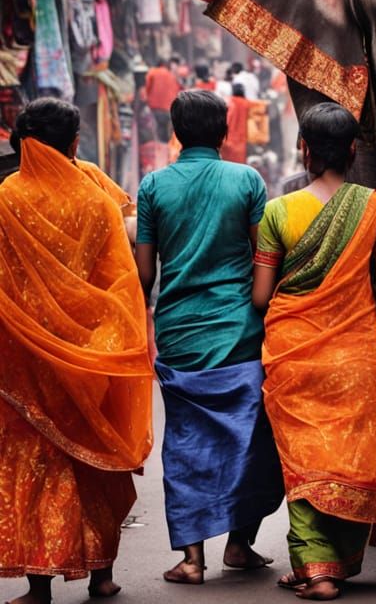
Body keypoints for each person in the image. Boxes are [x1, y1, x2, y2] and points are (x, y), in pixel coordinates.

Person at [253, 103, 376, 600]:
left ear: (303, 149)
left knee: (304, 462)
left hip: (293, 354)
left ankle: (316, 568)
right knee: (350, 460)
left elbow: (260, 297)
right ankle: (332, 564)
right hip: (356, 354)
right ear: (353, 151)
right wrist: (356, 281)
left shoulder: (278, 212)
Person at [0, 98, 152, 604]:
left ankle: (39, 584)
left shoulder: (7, 197)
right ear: (73, 143)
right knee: (93, 458)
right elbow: (119, 279)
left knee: (35, 462)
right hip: (89, 349)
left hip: (26, 355)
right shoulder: (95, 197)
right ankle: (102, 575)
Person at [135, 90, 282, 584]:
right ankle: (239, 544)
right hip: (240, 331)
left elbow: (145, 274)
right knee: (250, 439)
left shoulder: (153, 186)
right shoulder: (247, 180)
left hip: (179, 333)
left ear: (176, 133)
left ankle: (192, 560)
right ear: (224, 131)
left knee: (186, 445)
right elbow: (264, 256)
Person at [145, 58, 182, 142]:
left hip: (155, 108)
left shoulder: (152, 72)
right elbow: (178, 91)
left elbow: (146, 88)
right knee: (167, 134)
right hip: (169, 109)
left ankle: (160, 146)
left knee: (157, 133)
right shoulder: (171, 75)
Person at [223, 83, 251, 164]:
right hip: (242, 142)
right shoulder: (247, 104)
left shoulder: (229, 102)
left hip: (228, 140)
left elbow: (226, 121)